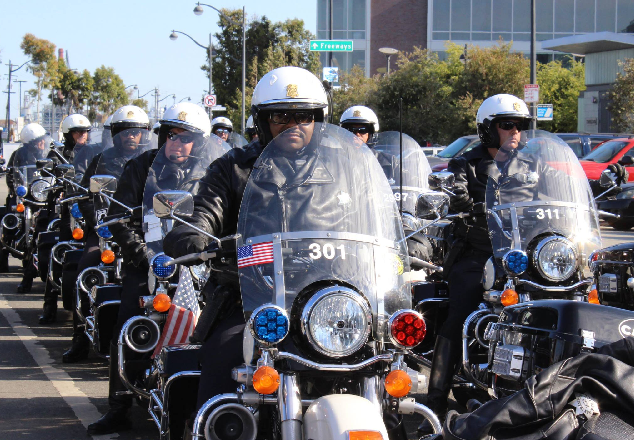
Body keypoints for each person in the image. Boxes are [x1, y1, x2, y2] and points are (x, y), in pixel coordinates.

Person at [162, 66, 330, 419]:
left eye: (304, 116)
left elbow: (377, 211)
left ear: (318, 119)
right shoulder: (232, 168)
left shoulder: (341, 168)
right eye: (281, 116)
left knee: (382, 366)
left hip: (327, 299)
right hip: (249, 298)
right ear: (263, 120)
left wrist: (414, 241)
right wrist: (192, 235)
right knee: (222, 361)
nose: (293, 124)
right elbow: (204, 212)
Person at [86, 102, 213, 435]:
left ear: (199, 143)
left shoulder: (212, 173)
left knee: (219, 328)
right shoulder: (141, 167)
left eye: (186, 138)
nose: (177, 143)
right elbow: (119, 218)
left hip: (199, 267)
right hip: (149, 264)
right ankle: (119, 407)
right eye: (171, 135)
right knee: (127, 326)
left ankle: (208, 404)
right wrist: (143, 256)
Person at [7, 123, 50, 289]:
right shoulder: (19, 154)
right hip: (26, 194)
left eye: (42, 140)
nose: (41, 144)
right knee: (9, 210)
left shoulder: (50, 154)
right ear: (30, 143)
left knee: (42, 236)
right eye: (37, 142)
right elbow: (12, 173)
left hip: (44, 196)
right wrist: (14, 185)